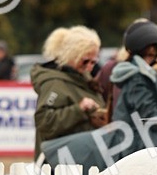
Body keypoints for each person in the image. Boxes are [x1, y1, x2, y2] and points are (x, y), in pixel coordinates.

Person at [31, 26, 107, 158]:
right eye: (85, 61)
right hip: (58, 163)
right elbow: (44, 121)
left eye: (94, 62)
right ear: (71, 55)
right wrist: (79, 109)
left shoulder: (83, 78)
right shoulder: (54, 82)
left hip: (80, 158)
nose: (90, 66)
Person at [111, 20, 157, 149]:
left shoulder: (143, 73)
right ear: (151, 48)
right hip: (135, 142)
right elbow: (150, 115)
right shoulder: (138, 77)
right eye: (156, 47)